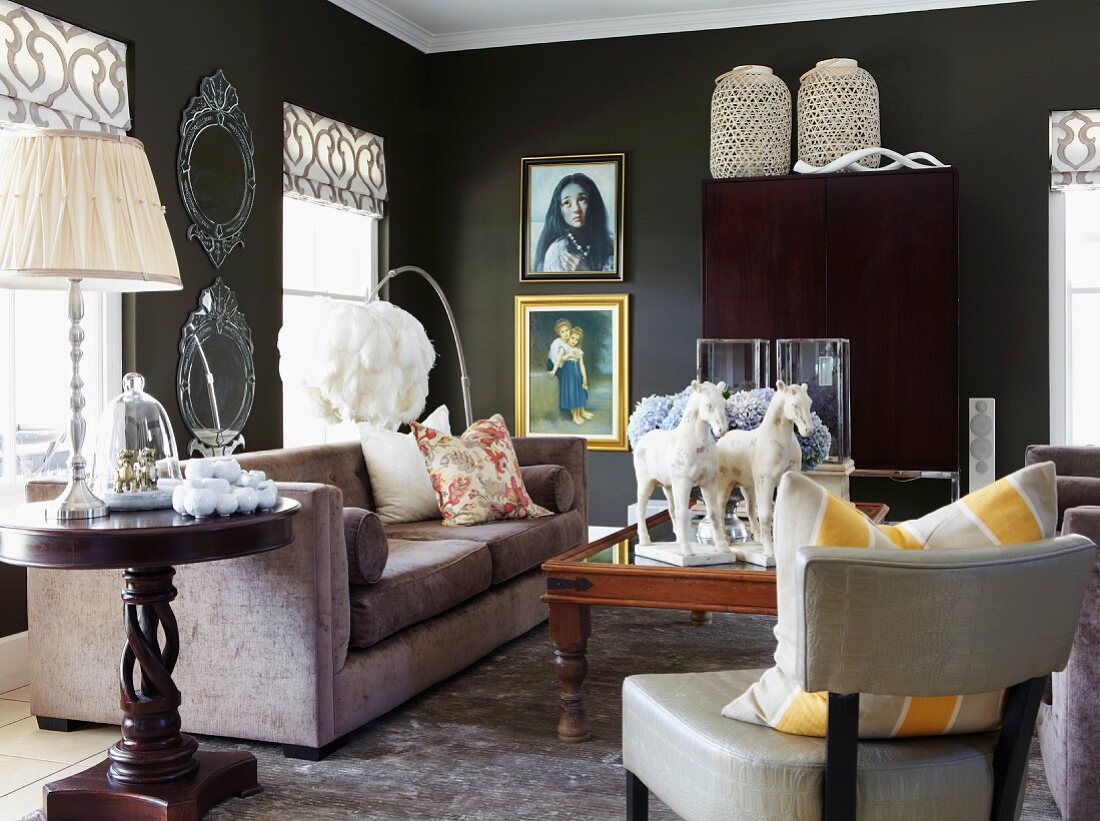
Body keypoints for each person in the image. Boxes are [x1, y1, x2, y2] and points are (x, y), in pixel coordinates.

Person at [533, 172, 614, 273]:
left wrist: (584, 270)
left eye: (582, 199)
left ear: (593, 203)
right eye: (567, 203)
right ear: (560, 210)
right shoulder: (559, 249)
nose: (576, 209)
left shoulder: (610, 243)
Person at [549, 324, 591, 425]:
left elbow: (582, 365)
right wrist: (554, 371)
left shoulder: (579, 351)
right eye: (572, 337)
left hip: (577, 375)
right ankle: (575, 416)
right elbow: (560, 359)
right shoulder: (564, 347)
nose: (574, 341)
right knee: (572, 394)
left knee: (578, 394)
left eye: (576, 339)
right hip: (568, 375)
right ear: (569, 336)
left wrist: (584, 377)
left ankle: (580, 414)